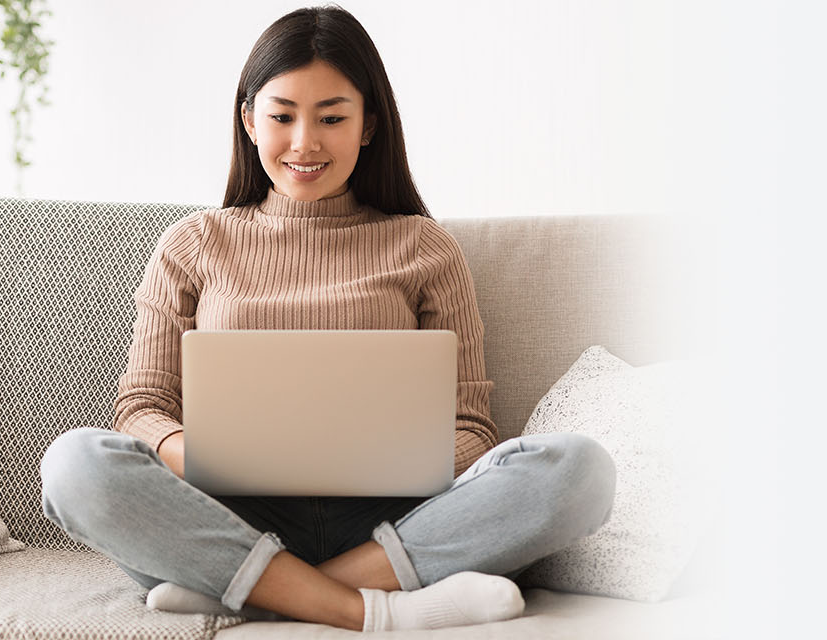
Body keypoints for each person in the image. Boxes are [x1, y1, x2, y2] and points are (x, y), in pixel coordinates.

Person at [39, 5, 616, 633]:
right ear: (249, 121)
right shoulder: (193, 244)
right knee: (76, 465)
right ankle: (372, 607)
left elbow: (472, 430)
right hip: (228, 519)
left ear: (368, 125)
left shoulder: (424, 248)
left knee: (579, 470)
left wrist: (388, 459)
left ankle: (259, 593)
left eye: (332, 118)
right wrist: (214, 458)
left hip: (394, 523)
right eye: (282, 116)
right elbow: (142, 410)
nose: (304, 143)